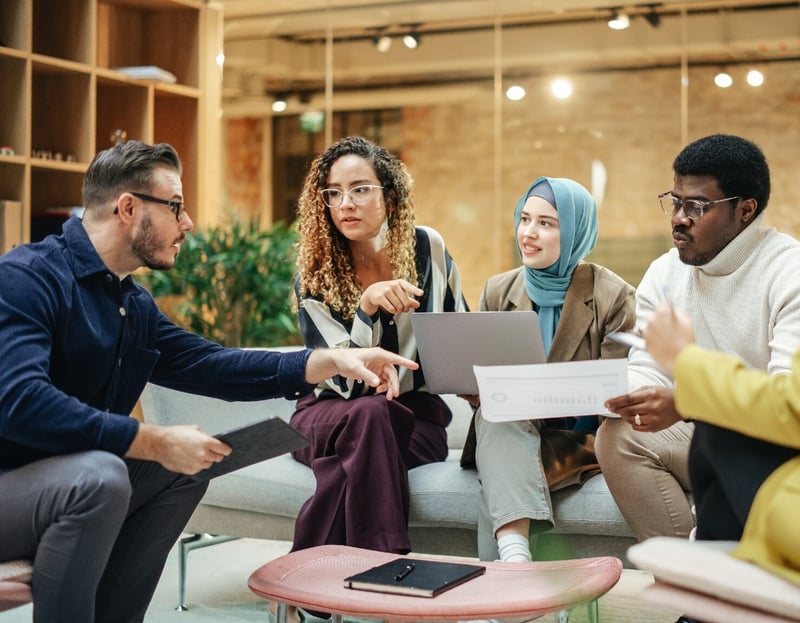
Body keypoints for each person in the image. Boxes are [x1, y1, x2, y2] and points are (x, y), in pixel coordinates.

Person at [0, 140, 419, 623]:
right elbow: (20, 402)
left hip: (67, 480)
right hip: (14, 484)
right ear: (128, 207)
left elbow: (214, 364)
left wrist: (332, 361)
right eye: (175, 206)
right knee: (103, 474)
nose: (188, 224)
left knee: (187, 466)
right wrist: (150, 439)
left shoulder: (130, 304)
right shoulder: (26, 278)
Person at [598, 134, 800, 543]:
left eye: (696, 206)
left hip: (776, 448)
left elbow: (785, 405)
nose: (678, 218)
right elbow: (646, 367)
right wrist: (618, 397)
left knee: (720, 434)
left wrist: (689, 404)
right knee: (618, 434)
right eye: (674, 202)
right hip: (705, 436)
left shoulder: (788, 272)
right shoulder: (664, 271)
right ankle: (691, 586)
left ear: (745, 211)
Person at [289, 135, 468, 558]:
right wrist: (366, 310)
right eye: (333, 193)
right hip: (325, 419)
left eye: (360, 189)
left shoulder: (428, 249)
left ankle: (310, 580)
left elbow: (456, 337)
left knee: (367, 432)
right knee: (370, 411)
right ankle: (389, 566)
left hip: (413, 423)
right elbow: (348, 387)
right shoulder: (314, 277)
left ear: (389, 197)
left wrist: (476, 381)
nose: (345, 203)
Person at [470, 176, 636, 562]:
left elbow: (616, 393)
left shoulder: (613, 296)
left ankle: (501, 595)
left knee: (499, 477)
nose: (528, 233)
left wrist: (548, 395)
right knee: (499, 415)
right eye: (525, 219)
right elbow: (483, 376)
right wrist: (477, 386)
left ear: (575, 232)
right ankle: (514, 568)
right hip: (508, 428)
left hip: (577, 437)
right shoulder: (498, 290)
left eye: (546, 223)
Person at [644, 303, 800, 587]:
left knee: (717, 428)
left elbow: (791, 406)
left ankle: (707, 591)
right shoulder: (663, 273)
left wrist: (686, 362)